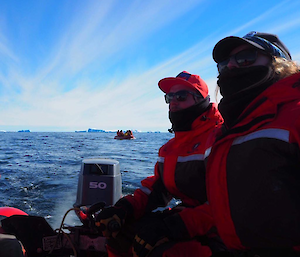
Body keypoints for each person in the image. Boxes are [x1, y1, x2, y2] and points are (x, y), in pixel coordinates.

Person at [96, 71, 224, 257]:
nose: (173, 102)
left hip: (225, 233)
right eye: (169, 97)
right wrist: (125, 208)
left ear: (200, 101)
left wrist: (172, 226)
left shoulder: (220, 139)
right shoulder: (170, 149)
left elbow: (227, 204)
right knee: (118, 237)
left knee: (164, 252)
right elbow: (156, 190)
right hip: (190, 221)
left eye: (180, 96)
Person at [198, 31, 300, 256]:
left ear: (280, 64)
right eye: (224, 63)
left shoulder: (295, 116)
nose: (232, 66)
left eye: (246, 57)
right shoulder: (221, 134)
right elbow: (222, 207)